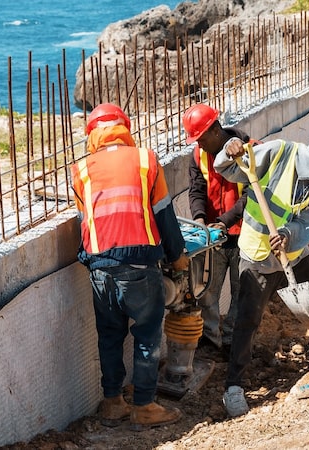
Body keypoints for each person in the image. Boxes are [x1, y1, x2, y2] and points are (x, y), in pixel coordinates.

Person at [213, 120, 309, 417]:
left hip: (292, 252)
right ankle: (234, 387)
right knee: (248, 322)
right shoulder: (280, 152)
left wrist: (288, 234)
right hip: (257, 254)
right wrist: (228, 152)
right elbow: (227, 169)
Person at [71, 103, 190, 430]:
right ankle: (144, 406)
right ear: (125, 128)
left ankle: (112, 403)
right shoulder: (145, 160)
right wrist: (177, 255)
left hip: (98, 268)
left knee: (109, 335)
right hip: (138, 264)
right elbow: (164, 213)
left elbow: (87, 223)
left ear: (92, 135)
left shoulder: (80, 170)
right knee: (147, 334)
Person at [183, 104, 257, 353]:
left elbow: (252, 196)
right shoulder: (198, 155)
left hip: (245, 235)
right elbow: (196, 190)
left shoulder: (249, 149)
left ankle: (232, 343)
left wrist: (225, 220)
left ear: (215, 130)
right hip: (213, 238)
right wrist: (200, 219)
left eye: (201, 138)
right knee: (207, 292)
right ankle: (211, 342)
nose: (199, 145)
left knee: (240, 293)